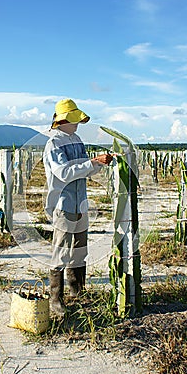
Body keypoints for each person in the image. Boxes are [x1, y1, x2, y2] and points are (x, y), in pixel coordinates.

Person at [43, 99, 113, 317]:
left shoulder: (77, 140)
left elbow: (85, 171)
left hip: (81, 203)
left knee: (79, 249)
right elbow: (63, 172)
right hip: (63, 205)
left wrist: (100, 163)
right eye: (74, 119)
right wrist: (92, 162)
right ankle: (56, 301)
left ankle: (77, 293)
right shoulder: (53, 144)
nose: (77, 124)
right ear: (63, 120)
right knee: (61, 250)